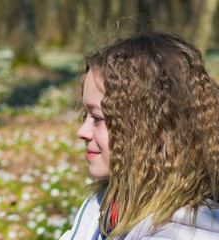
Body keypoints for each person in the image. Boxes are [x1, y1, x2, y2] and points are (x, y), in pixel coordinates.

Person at [60, 31, 219, 240]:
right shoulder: (105, 204)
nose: (81, 132)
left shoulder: (181, 233)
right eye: (85, 115)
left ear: (156, 130)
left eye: (98, 118)